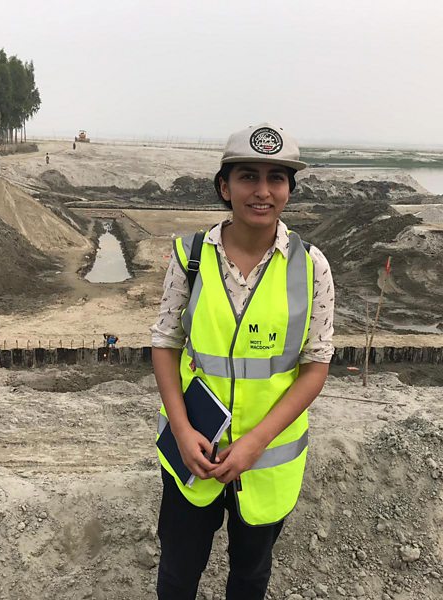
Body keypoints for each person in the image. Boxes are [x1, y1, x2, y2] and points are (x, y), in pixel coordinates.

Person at [151, 122, 334, 600]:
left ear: (290, 190)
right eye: (248, 176)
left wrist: (255, 442)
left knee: (250, 578)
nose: (262, 190)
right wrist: (182, 429)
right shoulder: (190, 257)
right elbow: (166, 344)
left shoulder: (312, 266)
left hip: (266, 462)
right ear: (223, 186)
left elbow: (315, 367)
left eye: (276, 178)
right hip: (194, 451)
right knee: (176, 574)